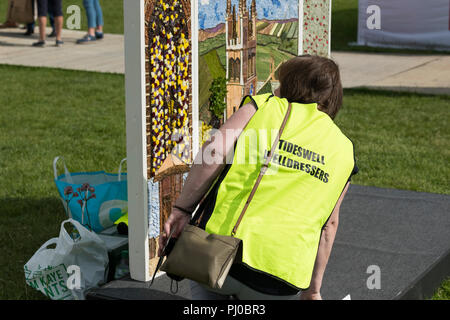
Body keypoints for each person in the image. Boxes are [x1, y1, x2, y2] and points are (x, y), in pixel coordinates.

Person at [158, 55, 359, 300]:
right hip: (281, 276)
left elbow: (215, 151)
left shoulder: (262, 106)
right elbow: (329, 225)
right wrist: (313, 289)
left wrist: (182, 209)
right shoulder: (344, 150)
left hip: (217, 255)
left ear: (291, 85)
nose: (275, 88)